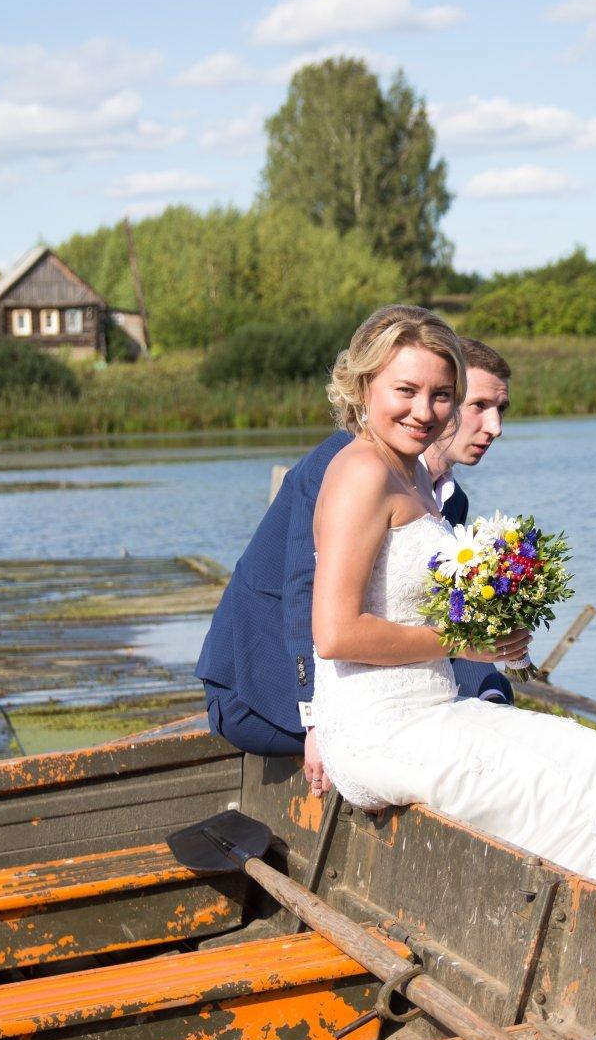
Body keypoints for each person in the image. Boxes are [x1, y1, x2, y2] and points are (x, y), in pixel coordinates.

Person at [308, 305, 596, 1040]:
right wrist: (464, 642)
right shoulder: (360, 471)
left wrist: (485, 622)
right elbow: (334, 632)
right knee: (589, 787)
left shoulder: (412, 474)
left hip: (430, 713)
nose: (425, 410)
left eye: (441, 394)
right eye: (405, 390)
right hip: (381, 730)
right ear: (363, 384)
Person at [196, 322, 518, 758]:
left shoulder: (448, 498)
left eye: (501, 408)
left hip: (382, 680)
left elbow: (426, 615)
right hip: (262, 691)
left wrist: (492, 682)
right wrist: (314, 718)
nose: (494, 426)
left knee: (496, 708)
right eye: (479, 405)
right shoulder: (345, 464)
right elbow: (303, 590)